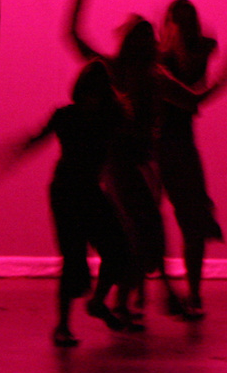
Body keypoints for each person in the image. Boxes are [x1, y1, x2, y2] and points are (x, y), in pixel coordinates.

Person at [67, 0, 227, 322]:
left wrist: (221, 78)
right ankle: (144, 298)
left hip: (141, 160)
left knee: (142, 232)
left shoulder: (155, 74)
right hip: (123, 162)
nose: (150, 43)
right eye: (145, 38)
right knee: (142, 230)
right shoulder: (121, 70)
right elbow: (75, 38)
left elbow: (191, 99)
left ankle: (125, 300)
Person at [19, 60, 141, 346]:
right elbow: (38, 139)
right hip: (70, 192)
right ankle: (66, 322)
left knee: (114, 251)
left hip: (79, 190)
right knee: (77, 258)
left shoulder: (96, 117)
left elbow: (37, 139)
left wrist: (19, 149)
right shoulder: (91, 117)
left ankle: (86, 309)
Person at [156, 0, 227, 319]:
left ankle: (186, 292)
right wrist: (224, 77)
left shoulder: (179, 56)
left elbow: (191, 95)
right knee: (164, 220)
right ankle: (181, 292)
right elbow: (192, 100)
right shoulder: (164, 60)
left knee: (186, 221)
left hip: (173, 145)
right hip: (165, 145)